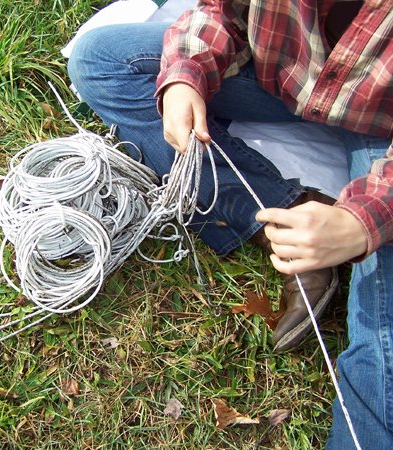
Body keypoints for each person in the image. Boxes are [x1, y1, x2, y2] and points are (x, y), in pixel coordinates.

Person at [67, 0, 392, 447]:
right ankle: (286, 218)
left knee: (384, 342)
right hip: (288, 74)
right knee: (102, 59)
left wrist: (366, 220)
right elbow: (223, 10)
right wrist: (186, 72)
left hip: (382, 121)